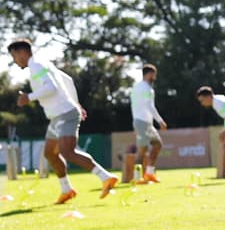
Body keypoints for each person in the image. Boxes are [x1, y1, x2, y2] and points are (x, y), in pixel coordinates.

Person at [7, 39, 118, 204]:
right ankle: (67, 189)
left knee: (68, 152)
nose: (15, 61)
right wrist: (77, 104)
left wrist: (28, 97)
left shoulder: (36, 65)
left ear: (22, 52)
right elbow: (67, 80)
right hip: (56, 116)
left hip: (64, 114)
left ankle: (106, 177)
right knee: (50, 153)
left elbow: (51, 87)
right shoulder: (42, 64)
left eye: (14, 56)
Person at [130, 64, 168, 183]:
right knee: (142, 149)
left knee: (157, 145)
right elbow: (149, 105)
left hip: (146, 123)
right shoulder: (145, 88)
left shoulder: (137, 87)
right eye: (154, 74)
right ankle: (137, 178)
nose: (155, 77)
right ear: (149, 74)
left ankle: (149, 173)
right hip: (141, 122)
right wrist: (160, 121)